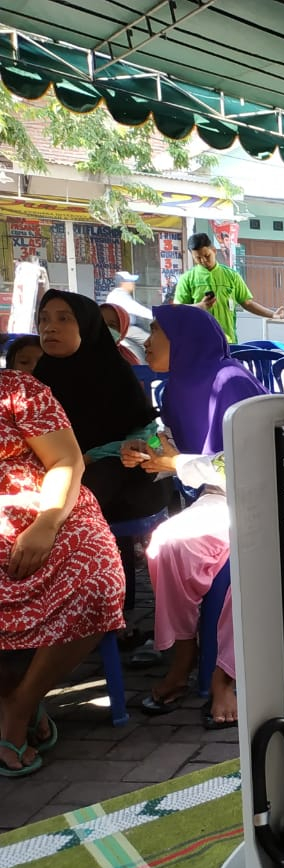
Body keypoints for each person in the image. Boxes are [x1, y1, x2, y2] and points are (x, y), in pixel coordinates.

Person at [122, 305, 265, 726]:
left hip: (261, 496)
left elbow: (249, 460)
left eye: (158, 332)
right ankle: (183, 658)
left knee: (247, 558)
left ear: (186, 340)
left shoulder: (231, 381)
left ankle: (226, 677)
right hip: (218, 497)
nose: (147, 342)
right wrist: (147, 451)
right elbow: (176, 447)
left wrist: (175, 464)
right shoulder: (174, 390)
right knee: (165, 544)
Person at [0, 370, 126, 776]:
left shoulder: (17, 389)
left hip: (48, 507)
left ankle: (20, 707)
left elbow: (66, 459)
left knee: (97, 580)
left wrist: (46, 524)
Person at [33, 290, 169, 524]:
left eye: (63, 318)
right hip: (57, 468)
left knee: (79, 489)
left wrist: (90, 457)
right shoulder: (41, 373)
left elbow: (148, 435)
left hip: (116, 473)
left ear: (86, 325)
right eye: (44, 319)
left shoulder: (113, 372)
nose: (50, 327)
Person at [174, 232, 283, 342]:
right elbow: (177, 310)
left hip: (228, 342)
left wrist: (272, 314)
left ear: (214, 250)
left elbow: (248, 303)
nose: (203, 261)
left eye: (207, 256)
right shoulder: (187, 279)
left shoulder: (232, 276)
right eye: (198, 258)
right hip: (198, 342)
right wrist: (199, 306)